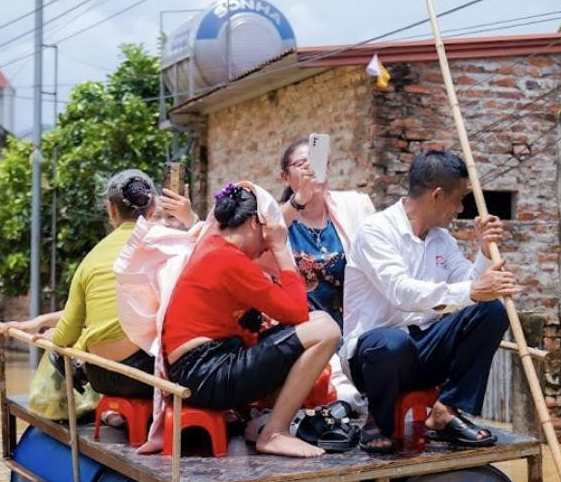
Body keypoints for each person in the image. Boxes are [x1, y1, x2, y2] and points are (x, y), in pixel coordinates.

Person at [343, 150, 520, 453]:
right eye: (458, 199)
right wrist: (474, 290)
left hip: (424, 348)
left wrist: (483, 251)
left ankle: (445, 410)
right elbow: (402, 292)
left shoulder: (441, 239)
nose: (460, 208)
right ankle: (378, 419)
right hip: (375, 357)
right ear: (437, 195)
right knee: (391, 342)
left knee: (490, 310)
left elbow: (467, 287)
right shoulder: (376, 231)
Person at [162, 183, 340, 458]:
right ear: (255, 223)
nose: (266, 246)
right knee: (325, 328)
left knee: (318, 320)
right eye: (268, 235)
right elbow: (297, 312)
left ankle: (271, 425)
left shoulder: (214, 247)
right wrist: (280, 250)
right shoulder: (229, 259)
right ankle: (275, 433)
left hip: (201, 368)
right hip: (206, 372)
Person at [2, 169, 196, 400]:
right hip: (146, 374)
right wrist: (191, 218)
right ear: (152, 209)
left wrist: (43, 326)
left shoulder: (91, 258)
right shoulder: (169, 245)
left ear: (111, 210)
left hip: (99, 375)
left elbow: (68, 332)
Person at [277, 138, 375, 409]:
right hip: (304, 328)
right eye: (301, 164)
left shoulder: (354, 208)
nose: (311, 170)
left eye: (317, 162)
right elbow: (268, 235)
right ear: (285, 177)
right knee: (339, 392)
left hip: (352, 324)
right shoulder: (279, 218)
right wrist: (299, 200)